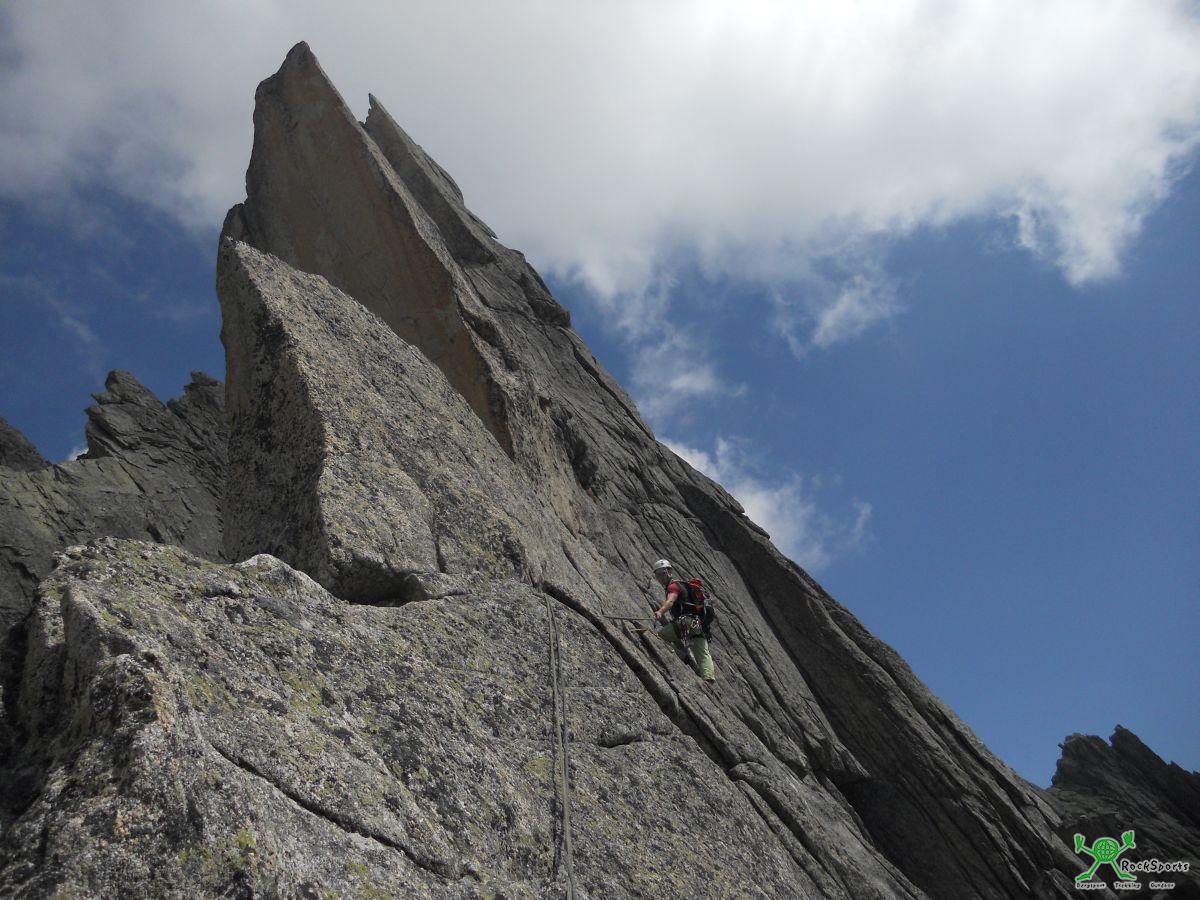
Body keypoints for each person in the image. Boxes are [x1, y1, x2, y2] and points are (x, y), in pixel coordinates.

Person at [651, 559, 715, 683]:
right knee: (703, 652)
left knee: (660, 637)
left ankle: (683, 657)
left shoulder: (673, 586)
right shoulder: (683, 585)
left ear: (669, 571)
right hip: (697, 624)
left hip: (686, 622)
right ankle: (708, 677)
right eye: (657, 575)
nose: (660, 578)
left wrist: (660, 612)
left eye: (662, 574)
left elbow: (670, 601)